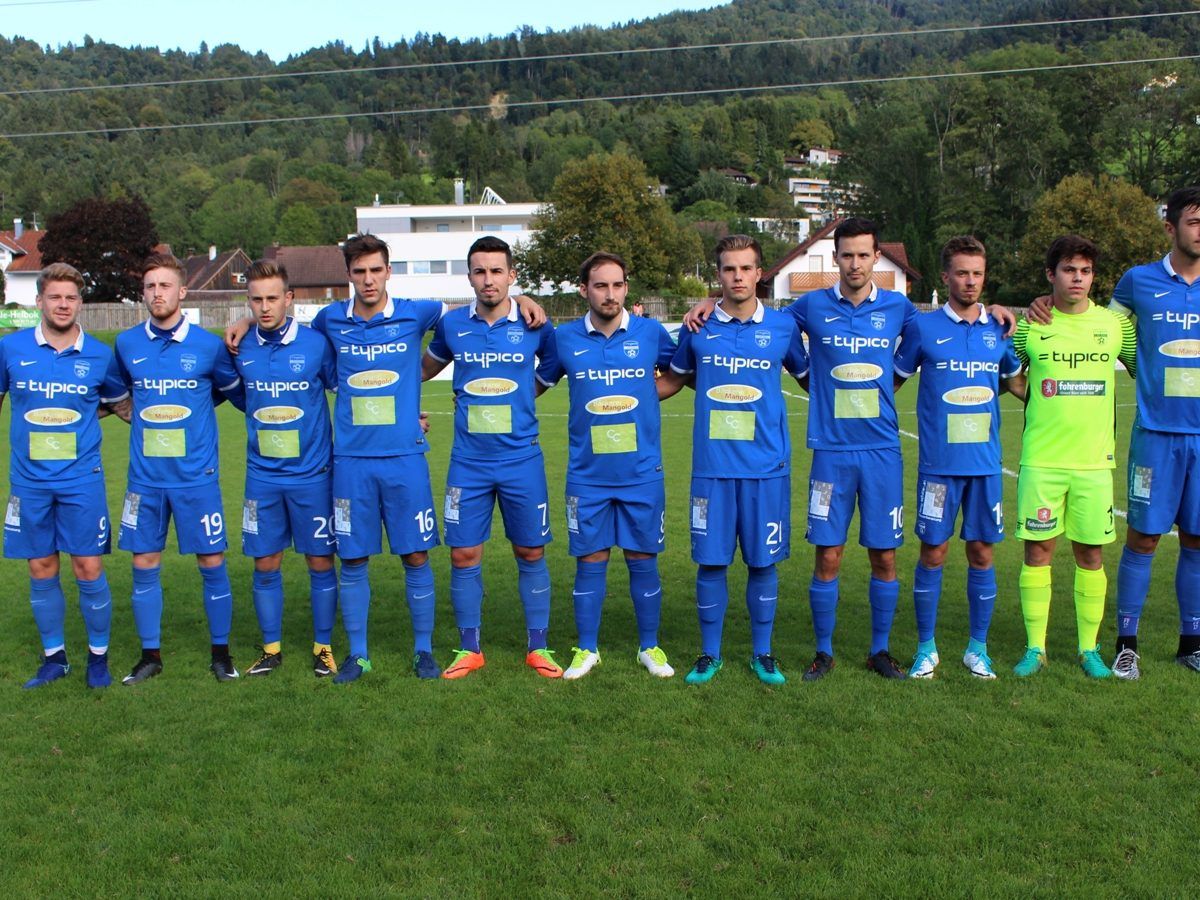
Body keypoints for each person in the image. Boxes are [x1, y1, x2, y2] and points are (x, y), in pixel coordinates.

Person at [225, 234, 546, 683]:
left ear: (389, 272)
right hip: (350, 462)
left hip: (405, 459)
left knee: (416, 555)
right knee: (353, 559)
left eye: (376, 270)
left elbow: (479, 304)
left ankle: (422, 651)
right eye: (359, 272)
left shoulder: (418, 312)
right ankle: (358, 654)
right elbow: (280, 322)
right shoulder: (329, 320)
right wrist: (245, 318)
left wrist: (523, 297)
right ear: (349, 275)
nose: (369, 279)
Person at [1030, 188, 1200, 678]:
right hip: (1155, 434)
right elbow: (1093, 325)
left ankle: (1192, 643)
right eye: (1193, 222)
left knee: (1196, 539)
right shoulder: (1137, 282)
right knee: (1143, 539)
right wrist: (1046, 302)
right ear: (1170, 228)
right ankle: (1127, 644)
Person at [658, 235, 808, 685]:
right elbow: (673, 381)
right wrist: (615, 395)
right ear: (718, 274)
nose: (737, 276)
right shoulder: (698, 326)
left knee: (763, 563)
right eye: (728, 268)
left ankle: (763, 654)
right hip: (713, 467)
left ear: (759, 273)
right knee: (711, 561)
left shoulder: (782, 326)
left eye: (745, 268)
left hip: (767, 467)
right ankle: (710, 654)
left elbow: (812, 379)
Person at [421, 236, 562, 679]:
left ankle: (538, 647)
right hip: (468, 461)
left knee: (530, 550)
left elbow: (554, 365)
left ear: (511, 275)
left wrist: (526, 394)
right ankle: (470, 649)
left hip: (522, 458)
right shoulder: (452, 326)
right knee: (463, 554)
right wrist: (404, 409)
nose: (488, 279)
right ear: (469, 277)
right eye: (480, 271)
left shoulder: (535, 324)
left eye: (497, 271)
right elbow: (419, 370)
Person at [536, 251, 678, 680]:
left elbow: (680, 373)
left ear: (626, 288)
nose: (610, 294)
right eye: (601, 285)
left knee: (643, 558)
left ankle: (649, 647)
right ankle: (587, 649)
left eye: (617, 285)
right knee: (590, 559)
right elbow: (537, 383)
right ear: (584, 290)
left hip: (641, 471)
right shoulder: (564, 338)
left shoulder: (651, 333)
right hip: (588, 475)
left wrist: (646, 396)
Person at [787, 218, 919, 680]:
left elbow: (930, 334)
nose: (856, 263)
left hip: (882, 450)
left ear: (877, 257)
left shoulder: (899, 307)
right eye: (847, 255)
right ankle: (823, 652)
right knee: (828, 553)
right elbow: (770, 326)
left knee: (885, 555)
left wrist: (895, 377)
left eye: (864, 254)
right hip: (831, 453)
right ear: (836, 258)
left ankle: (879, 650)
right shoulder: (811, 305)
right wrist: (808, 376)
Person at [893, 237, 1026, 679]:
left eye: (978, 274)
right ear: (945, 276)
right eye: (962, 273)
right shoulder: (922, 328)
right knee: (933, 552)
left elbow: (1017, 384)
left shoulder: (998, 329)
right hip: (938, 467)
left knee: (983, 553)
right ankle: (926, 649)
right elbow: (891, 382)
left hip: (985, 466)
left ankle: (977, 649)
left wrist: (1062, 399)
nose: (970, 281)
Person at [115, 253, 245, 684]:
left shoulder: (209, 346)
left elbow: (233, 394)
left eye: (165, 285)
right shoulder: (127, 344)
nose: (157, 293)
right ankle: (150, 656)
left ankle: (221, 654)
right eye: (150, 286)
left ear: (183, 291)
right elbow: (117, 396)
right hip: (145, 478)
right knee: (144, 561)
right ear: (143, 292)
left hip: (196, 477)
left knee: (212, 560)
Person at [1010, 235, 1136, 679]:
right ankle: (1035, 649)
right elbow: (1005, 370)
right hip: (1042, 459)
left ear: (1093, 276)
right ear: (1051, 275)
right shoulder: (1031, 325)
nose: (1077, 278)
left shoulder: (1115, 326)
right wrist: (1036, 399)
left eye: (1085, 271)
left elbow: (1145, 369)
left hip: (1095, 463)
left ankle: (1089, 650)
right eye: (1068, 270)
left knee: (1091, 554)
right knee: (1038, 551)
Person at [0, 263, 130, 689]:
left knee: (88, 567)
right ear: (39, 300)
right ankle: (55, 659)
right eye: (54, 297)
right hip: (28, 480)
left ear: (80, 303)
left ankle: (98, 659)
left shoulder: (99, 355)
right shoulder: (10, 348)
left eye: (71, 297)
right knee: (40, 565)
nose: (62, 304)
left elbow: (122, 405)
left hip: (81, 479)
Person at [233, 260, 339, 678]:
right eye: (256, 299)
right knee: (265, 563)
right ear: (248, 301)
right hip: (261, 476)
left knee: (320, 562)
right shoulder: (239, 348)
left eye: (272, 298)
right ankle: (271, 649)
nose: (264, 307)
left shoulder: (316, 344)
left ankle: (323, 647)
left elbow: (344, 391)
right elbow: (240, 399)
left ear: (289, 299)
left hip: (313, 475)